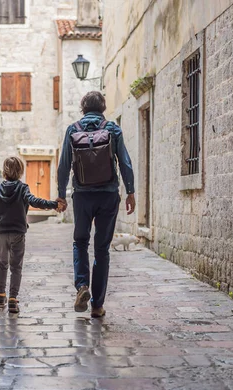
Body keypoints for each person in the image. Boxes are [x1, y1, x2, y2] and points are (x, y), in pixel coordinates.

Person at [56, 91, 135, 318]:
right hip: (108, 195)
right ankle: (97, 305)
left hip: (82, 195)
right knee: (101, 249)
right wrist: (130, 192)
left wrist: (61, 195)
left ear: (82, 108)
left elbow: (63, 166)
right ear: (102, 108)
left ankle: (82, 286)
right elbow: (125, 162)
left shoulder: (73, 130)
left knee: (80, 242)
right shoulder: (112, 129)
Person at [0, 156, 59, 314]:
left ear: (4, 171)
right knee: (16, 266)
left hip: (1, 233)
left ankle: (1, 295)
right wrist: (54, 204)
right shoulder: (23, 188)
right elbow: (34, 201)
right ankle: (13, 300)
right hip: (18, 233)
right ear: (20, 171)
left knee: (2, 263)